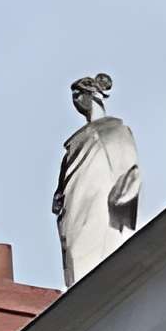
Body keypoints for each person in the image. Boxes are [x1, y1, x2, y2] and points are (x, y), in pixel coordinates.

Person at [51, 74, 141, 285]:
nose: (77, 101)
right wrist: (58, 195)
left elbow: (129, 167)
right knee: (77, 248)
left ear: (93, 94)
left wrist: (124, 191)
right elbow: (62, 184)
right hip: (76, 202)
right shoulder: (74, 145)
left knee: (96, 246)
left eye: (79, 94)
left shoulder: (114, 129)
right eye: (74, 96)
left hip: (100, 199)